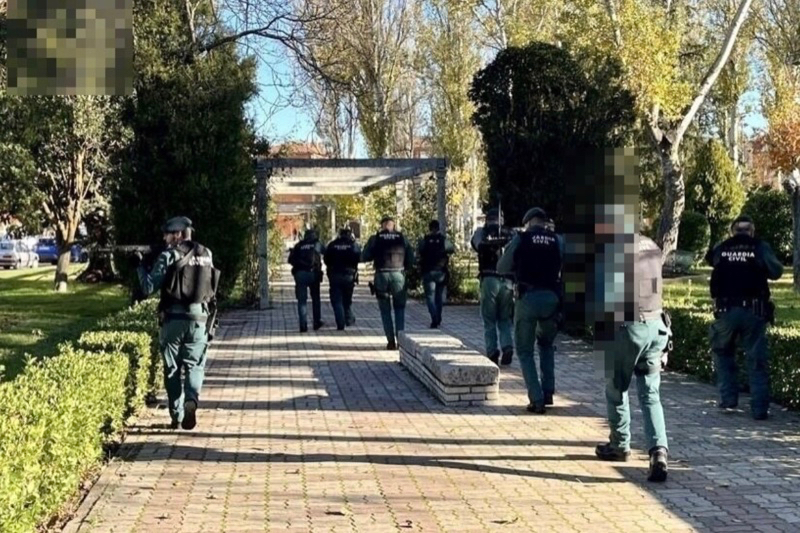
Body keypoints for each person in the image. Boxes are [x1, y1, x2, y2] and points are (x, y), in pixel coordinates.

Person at [594, 232, 672, 483]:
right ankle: (658, 451)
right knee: (650, 394)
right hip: (657, 326)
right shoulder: (652, 245)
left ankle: (619, 445)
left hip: (629, 328)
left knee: (616, 387)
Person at [136, 216, 219, 430]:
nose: (164, 238)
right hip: (200, 318)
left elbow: (148, 288)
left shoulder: (169, 256)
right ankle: (192, 398)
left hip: (173, 320)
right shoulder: (206, 254)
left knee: (172, 368)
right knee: (195, 366)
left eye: (167, 234)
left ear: (178, 235)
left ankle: (177, 414)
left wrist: (140, 266)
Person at [705, 215, 783, 420]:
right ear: (752, 231)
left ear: (733, 231)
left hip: (725, 311)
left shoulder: (723, 247)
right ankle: (759, 409)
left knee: (723, 354)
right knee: (756, 360)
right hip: (753, 311)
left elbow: (710, 259)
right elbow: (776, 271)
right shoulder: (759, 247)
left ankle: (728, 399)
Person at [498, 207, 562, 413]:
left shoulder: (522, 239)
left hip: (528, 298)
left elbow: (502, 267)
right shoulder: (557, 240)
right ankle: (548, 391)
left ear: (528, 222)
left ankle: (536, 399)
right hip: (552, 298)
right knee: (546, 344)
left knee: (525, 351)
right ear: (544, 222)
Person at [470, 208, 516, 365]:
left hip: (489, 279)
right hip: (507, 282)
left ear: (487, 219)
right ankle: (507, 346)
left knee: (489, 319)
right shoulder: (511, 233)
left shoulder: (481, 233)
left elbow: (475, 244)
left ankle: (492, 351)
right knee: (504, 319)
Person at [361, 215, 414, 350]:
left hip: (381, 276)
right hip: (398, 275)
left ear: (382, 225)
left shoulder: (375, 238)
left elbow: (365, 256)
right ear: (393, 225)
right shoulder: (402, 237)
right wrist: (406, 269)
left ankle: (390, 341)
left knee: (385, 310)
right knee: (399, 309)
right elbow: (410, 257)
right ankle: (401, 341)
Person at [417, 220, 455, 328]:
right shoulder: (444, 240)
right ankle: (438, 317)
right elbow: (451, 249)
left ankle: (434, 317)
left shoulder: (425, 240)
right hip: (441, 271)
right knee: (438, 296)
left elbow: (420, 250)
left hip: (428, 271)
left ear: (429, 228)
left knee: (430, 296)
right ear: (438, 228)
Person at [288, 228, 326, 332]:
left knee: (302, 301)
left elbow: (291, 260)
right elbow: (327, 253)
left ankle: (303, 325)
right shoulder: (316, 244)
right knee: (316, 299)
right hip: (313, 274)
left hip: (300, 274)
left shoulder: (299, 245)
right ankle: (316, 322)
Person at [324, 227, 362, 330]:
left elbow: (326, 259)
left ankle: (341, 322)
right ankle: (348, 319)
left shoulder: (332, 245)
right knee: (347, 299)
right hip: (349, 275)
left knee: (336, 300)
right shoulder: (353, 245)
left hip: (335, 275)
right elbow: (359, 257)